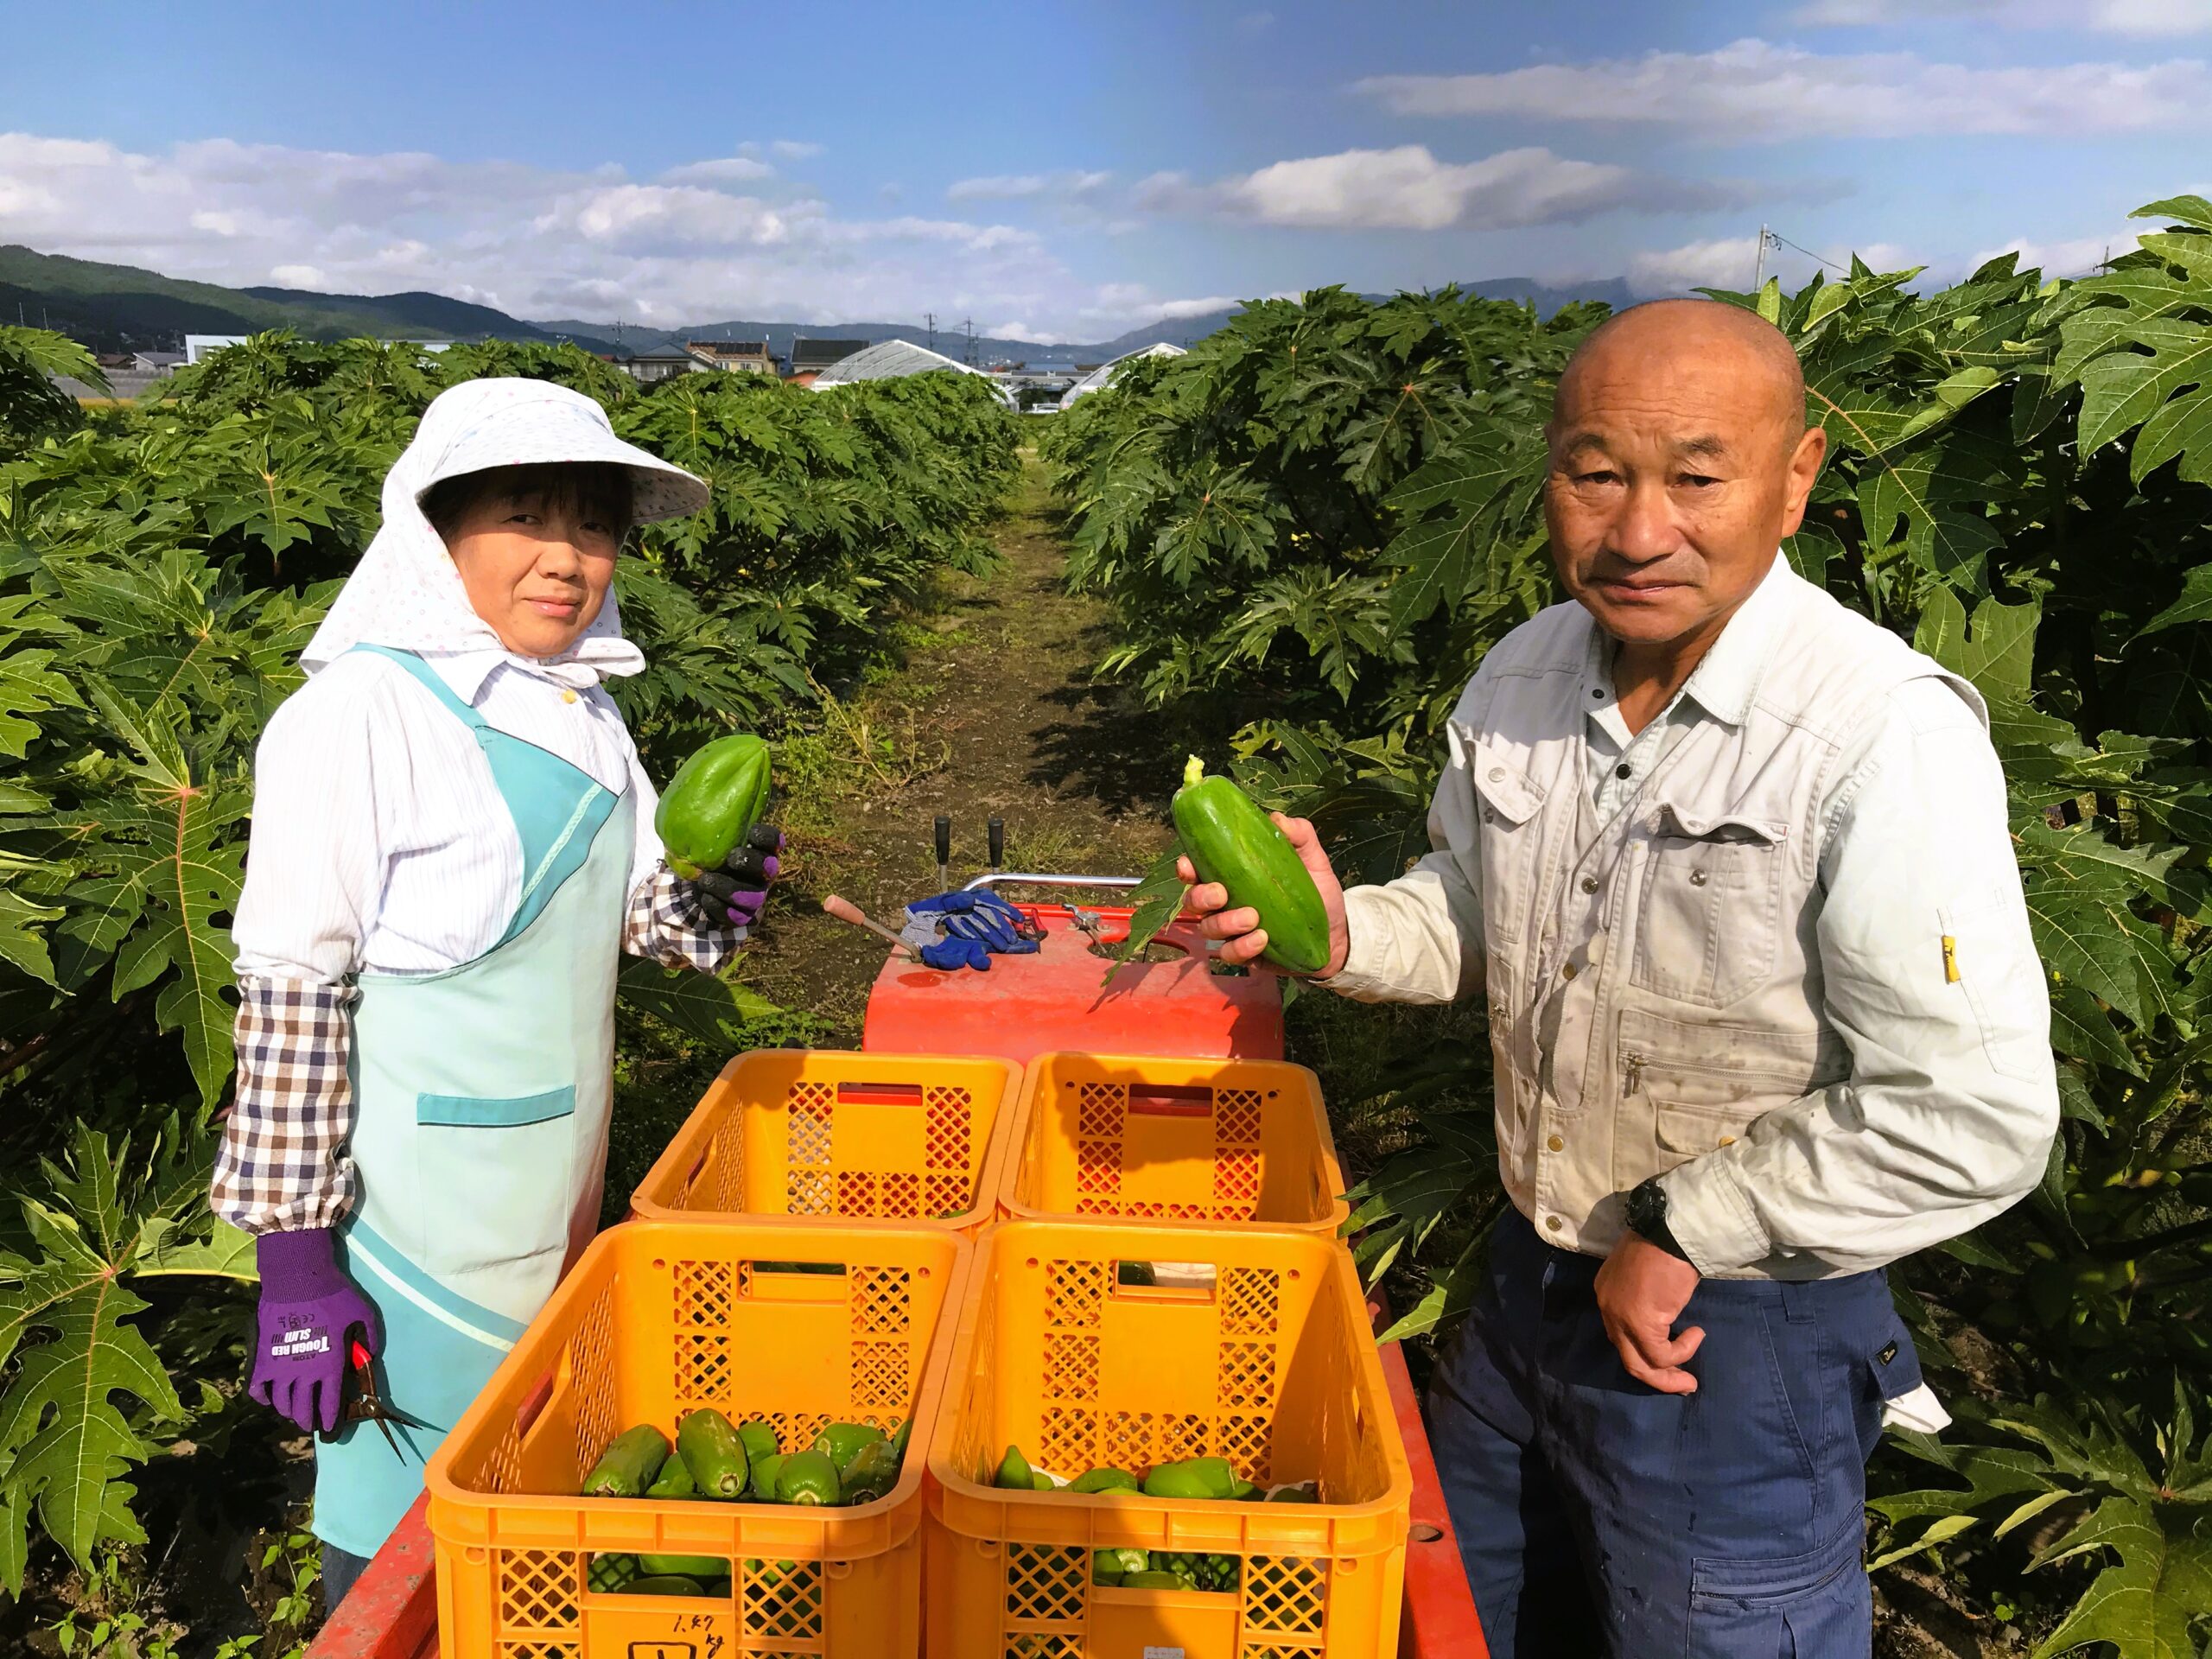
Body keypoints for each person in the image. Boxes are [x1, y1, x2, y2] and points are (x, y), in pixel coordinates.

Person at [1183, 300, 2058, 1655]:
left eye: (1697, 478)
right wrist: (1341, 929)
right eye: (1596, 475)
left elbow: (1970, 1111)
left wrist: (1684, 1228)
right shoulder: (1524, 674)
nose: (1639, 530)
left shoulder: (1881, 732)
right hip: (1528, 1287)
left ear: (1798, 477)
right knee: (1466, 1615)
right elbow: (1478, 914)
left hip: (1736, 1329)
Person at [208, 378, 781, 1611]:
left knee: (528, 1495)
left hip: (554, 1190)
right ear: (437, 532)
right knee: (402, 1547)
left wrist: (711, 900)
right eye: (527, 517)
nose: (566, 559)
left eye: (593, 524)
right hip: (415, 1230)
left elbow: (632, 925)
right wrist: (297, 1264)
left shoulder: (586, 712)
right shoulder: (360, 714)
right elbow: (293, 996)